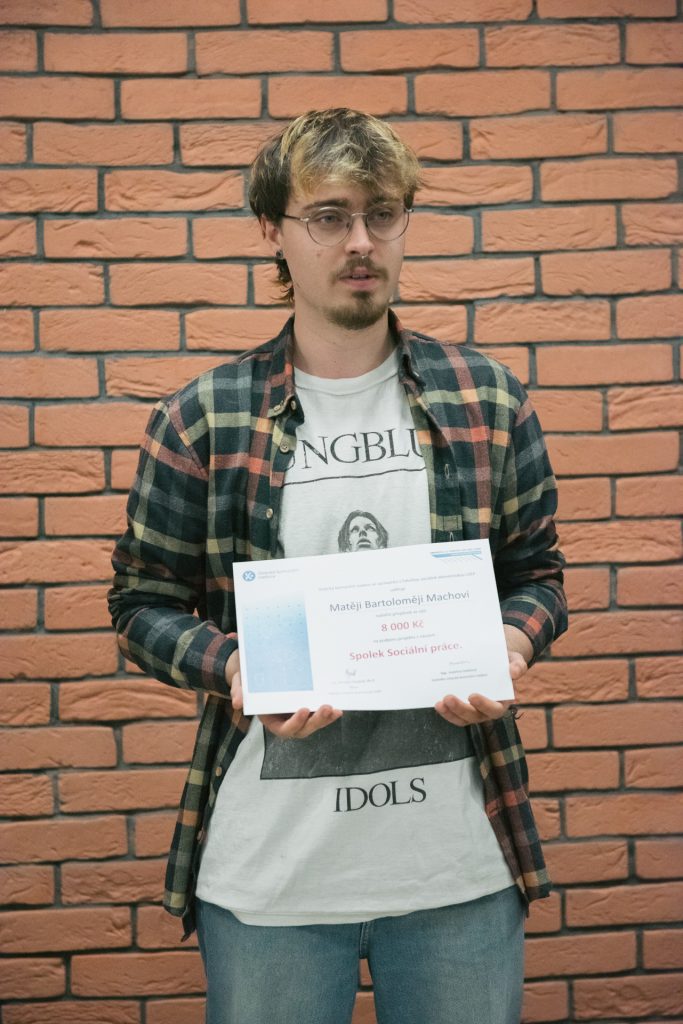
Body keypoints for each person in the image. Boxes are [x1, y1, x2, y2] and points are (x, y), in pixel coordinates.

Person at [109, 107, 567, 1024]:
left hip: (456, 871)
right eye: (328, 216)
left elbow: (537, 575)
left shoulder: (485, 399)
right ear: (273, 231)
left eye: (381, 213)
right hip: (270, 882)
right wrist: (235, 666)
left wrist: (510, 644)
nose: (360, 241)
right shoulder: (204, 416)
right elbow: (139, 603)